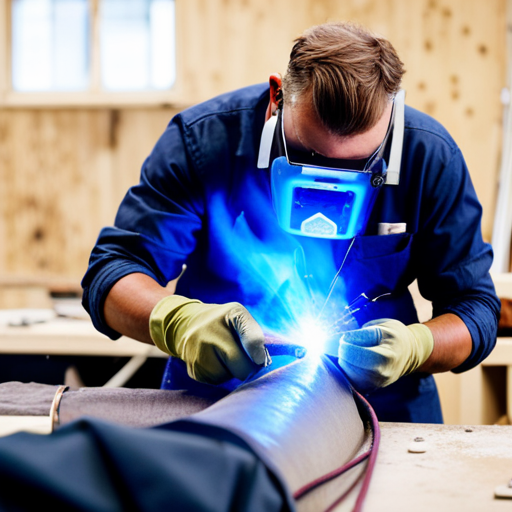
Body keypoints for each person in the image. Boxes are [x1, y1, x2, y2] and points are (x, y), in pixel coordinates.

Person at [82, 22, 500, 423]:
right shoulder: (204, 143)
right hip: (220, 398)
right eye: (307, 157)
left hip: (380, 407)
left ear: (392, 116)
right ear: (276, 98)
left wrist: (416, 345)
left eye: (358, 166)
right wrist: (179, 322)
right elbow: (113, 273)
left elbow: (475, 309)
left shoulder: (429, 156)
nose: (326, 189)